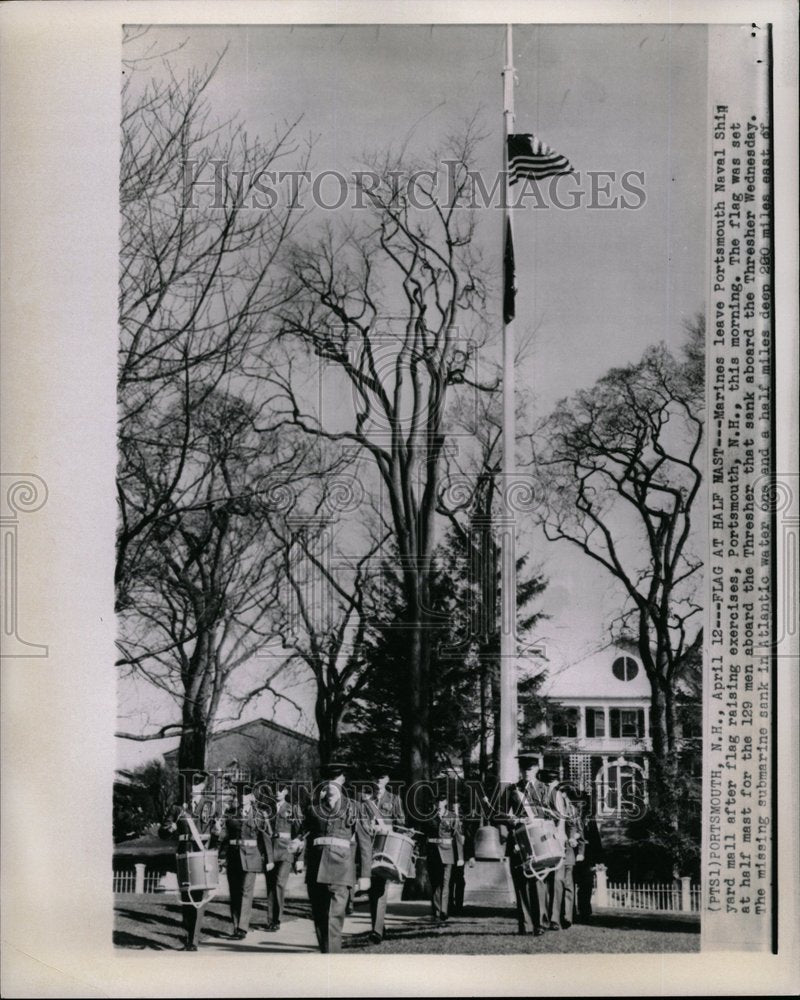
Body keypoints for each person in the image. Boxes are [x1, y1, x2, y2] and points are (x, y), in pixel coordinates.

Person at [298, 762, 372, 953]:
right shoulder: (313, 809)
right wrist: (297, 848)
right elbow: (302, 834)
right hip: (316, 871)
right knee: (320, 919)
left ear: (342, 781)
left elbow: (365, 844)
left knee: (333, 918)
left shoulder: (355, 808)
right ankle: (327, 956)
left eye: (336, 779)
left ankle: (332, 962)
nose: (331, 783)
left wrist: (365, 875)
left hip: (341, 871)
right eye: (328, 779)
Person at [159, 776, 222, 952]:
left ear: (203, 786)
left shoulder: (211, 805)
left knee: (199, 896)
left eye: (197, 784)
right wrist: (168, 829)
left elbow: (219, 833)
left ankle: (192, 941)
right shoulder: (177, 807)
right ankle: (189, 934)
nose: (193, 787)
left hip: (202, 856)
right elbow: (162, 833)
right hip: (184, 857)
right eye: (191, 784)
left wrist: (217, 833)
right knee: (186, 898)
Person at [504, 756, 562, 936]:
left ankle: (539, 924)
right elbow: (497, 814)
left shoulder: (545, 790)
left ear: (537, 769)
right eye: (523, 768)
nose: (526, 771)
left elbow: (557, 815)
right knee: (520, 883)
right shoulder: (511, 790)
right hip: (518, 841)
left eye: (530, 768)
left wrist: (540, 818)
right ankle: (525, 925)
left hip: (539, 840)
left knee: (537, 881)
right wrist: (513, 820)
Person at [218, 781, 274, 940]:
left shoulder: (259, 815)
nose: (242, 798)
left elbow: (266, 837)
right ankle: (236, 926)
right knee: (234, 893)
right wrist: (221, 857)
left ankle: (242, 928)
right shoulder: (230, 813)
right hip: (233, 857)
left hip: (251, 857)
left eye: (245, 795)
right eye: (239, 795)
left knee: (246, 892)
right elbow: (224, 837)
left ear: (251, 797)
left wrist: (269, 859)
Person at [361, 766, 405, 944]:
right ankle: (378, 925)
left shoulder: (394, 799)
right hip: (365, 847)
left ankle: (376, 930)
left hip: (384, 848)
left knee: (379, 888)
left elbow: (401, 823)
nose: (379, 780)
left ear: (387, 780)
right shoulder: (364, 799)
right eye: (376, 777)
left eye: (383, 777)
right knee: (371, 890)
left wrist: (386, 829)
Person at [262, 782, 303, 932]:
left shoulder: (292, 809)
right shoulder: (267, 810)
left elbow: (300, 833)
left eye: (280, 790)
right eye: (274, 790)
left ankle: (276, 920)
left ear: (286, 791)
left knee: (279, 883)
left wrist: (300, 857)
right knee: (270, 885)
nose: (277, 793)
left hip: (286, 850)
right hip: (270, 850)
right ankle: (270, 919)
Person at [423, 782, 464, 926]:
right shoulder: (428, 817)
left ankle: (444, 912)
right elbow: (424, 835)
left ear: (445, 802)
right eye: (436, 801)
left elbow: (458, 837)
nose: (438, 803)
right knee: (435, 884)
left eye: (441, 800)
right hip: (433, 853)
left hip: (448, 853)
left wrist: (460, 857)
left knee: (446, 883)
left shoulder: (452, 817)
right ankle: (436, 911)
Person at [573, 791, 604, 923]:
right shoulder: (570, 815)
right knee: (570, 883)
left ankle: (585, 911)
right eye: (577, 802)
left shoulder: (589, 818)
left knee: (586, 884)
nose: (580, 804)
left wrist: (599, 860)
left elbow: (595, 837)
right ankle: (570, 911)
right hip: (572, 852)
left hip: (588, 855)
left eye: (583, 802)